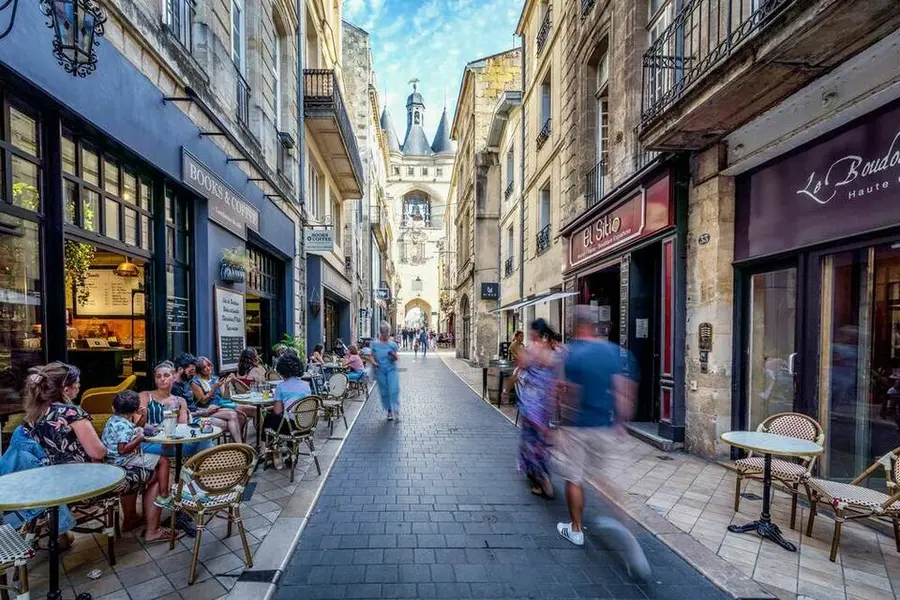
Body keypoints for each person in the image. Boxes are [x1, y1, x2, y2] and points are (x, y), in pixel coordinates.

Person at [554, 305, 650, 580]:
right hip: (607, 427)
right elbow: (625, 391)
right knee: (609, 483)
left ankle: (575, 528)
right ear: (596, 326)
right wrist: (620, 422)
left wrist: (561, 426)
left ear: (577, 326)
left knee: (574, 478)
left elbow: (569, 392)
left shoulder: (571, 354)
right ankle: (629, 536)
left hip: (579, 427)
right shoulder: (617, 354)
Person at [101, 390, 182, 542]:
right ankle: (164, 495)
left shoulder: (114, 421)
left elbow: (131, 429)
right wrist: (140, 438)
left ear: (113, 408)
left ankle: (133, 518)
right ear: (134, 410)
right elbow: (123, 449)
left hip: (113, 460)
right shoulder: (123, 425)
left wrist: (143, 418)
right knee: (163, 461)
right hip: (123, 460)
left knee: (158, 464)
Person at [504, 320, 557, 499]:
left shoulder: (531, 351)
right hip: (545, 407)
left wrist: (506, 389)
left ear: (535, 332)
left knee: (530, 443)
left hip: (532, 406)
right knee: (540, 443)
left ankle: (543, 484)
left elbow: (517, 371)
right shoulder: (551, 352)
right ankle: (541, 477)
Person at [138, 361, 212, 459]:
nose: (162, 379)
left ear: (173, 378)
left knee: (206, 437)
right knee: (205, 449)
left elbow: (182, 426)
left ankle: (196, 468)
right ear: (155, 380)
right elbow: (138, 424)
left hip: (174, 442)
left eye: (166, 375)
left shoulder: (180, 401)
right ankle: (194, 469)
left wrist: (172, 439)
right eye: (158, 376)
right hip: (151, 442)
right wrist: (163, 435)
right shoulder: (145, 396)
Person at [261, 353, 311, 469]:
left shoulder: (281, 387)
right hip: (306, 425)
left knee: (270, 418)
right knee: (290, 417)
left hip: (290, 428)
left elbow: (278, 411)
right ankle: (292, 451)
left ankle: (269, 450)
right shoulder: (306, 385)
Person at [191, 356, 252, 443]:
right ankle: (240, 446)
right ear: (200, 370)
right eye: (204, 367)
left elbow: (225, 398)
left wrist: (227, 385)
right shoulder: (195, 382)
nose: (208, 368)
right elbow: (203, 400)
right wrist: (214, 388)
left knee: (241, 417)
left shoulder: (215, 378)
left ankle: (234, 444)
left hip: (220, 407)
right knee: (233, 415)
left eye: (209, 365)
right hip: (207, 410)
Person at [372, 321, 400, 421]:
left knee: (393, 390)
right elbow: (371, 356)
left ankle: (395, 409)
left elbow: (397, 357)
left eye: (387, 332)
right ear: (381, 332)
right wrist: (374, 363)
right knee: (384, 392)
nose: (386, 335)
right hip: (380, 371)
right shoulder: (374, 344)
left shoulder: (393, 345)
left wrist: (392, 355)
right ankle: (389, 411)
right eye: (384, 332)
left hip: (391, 370)